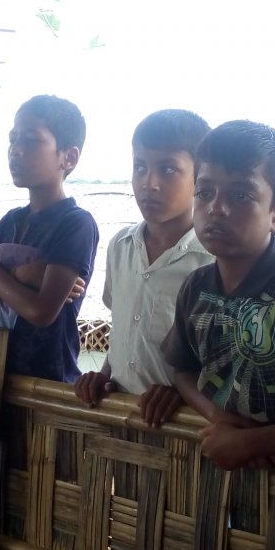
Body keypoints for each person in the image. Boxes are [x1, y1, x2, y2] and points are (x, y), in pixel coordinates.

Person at [162, 120, 275, 471]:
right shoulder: (196, 286)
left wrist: (252, 442)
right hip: (221, 462)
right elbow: (183, 371)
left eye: (241, 195)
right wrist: (216, 414)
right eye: (204, 192)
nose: (216, 208)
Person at [74, 109, 214, 425]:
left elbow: (221, 362)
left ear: (200, 176)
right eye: (140, 167)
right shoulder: (120, 246)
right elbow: (124, 327)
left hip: (183, 425)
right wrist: (105, 375)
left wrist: (183, 393)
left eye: (167, 169)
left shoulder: (212, 261)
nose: (149, 183)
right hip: (122, 416)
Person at [0, 95, 99, 383]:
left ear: (68, 157)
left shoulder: (76, 223)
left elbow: (40, 311)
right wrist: (21, 277)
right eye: (13, 139)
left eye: (32, 141)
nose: (16, 150)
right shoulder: (12, 219)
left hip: (47, 380)